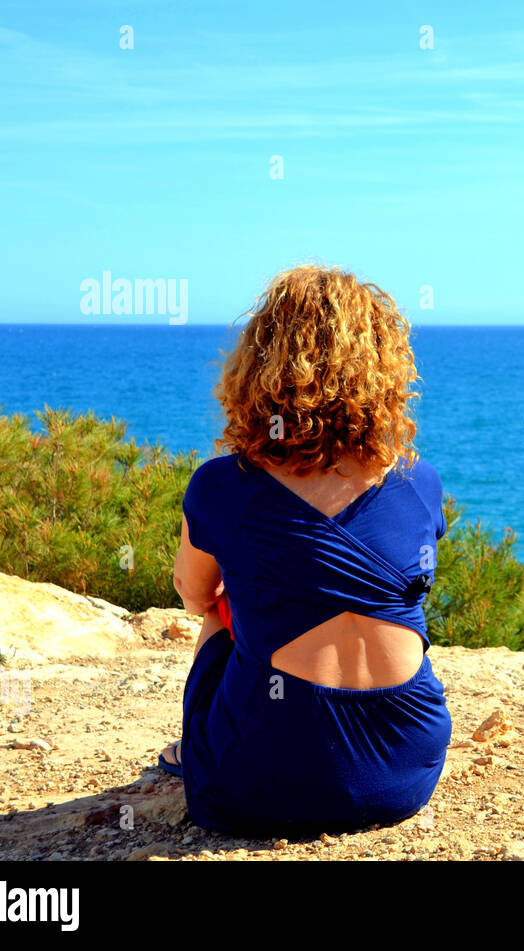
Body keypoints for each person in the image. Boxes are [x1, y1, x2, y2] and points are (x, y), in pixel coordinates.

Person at [162, 264, 453, 836]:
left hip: (257, 782)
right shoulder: (421, 483)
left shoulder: (223, 485)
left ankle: (195, 748)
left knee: (225, 608)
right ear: (384, 373)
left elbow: (195, 595)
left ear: (258, 367)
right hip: (403, 772)